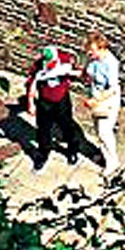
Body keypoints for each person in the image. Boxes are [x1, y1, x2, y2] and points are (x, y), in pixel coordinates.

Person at [22, 42, 82, 171]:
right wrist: (31, 103)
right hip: (45, 101)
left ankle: (72, 150)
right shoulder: (38, 66)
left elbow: (76, 70)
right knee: (43, 130)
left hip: (62, 100)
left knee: (67, 126)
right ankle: (43, 154)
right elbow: (31, 84)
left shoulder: (65, 59)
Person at [84, 32, 123, 175]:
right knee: (98, 131)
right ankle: (104, 154)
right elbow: (87, 73)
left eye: (92, 50)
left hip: (107, 100)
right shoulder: (93, 58)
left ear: (102, 48)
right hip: (95, 96)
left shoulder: (111, 64)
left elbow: (112, 89)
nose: (89, 53)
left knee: (104, 132)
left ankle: (113, 162)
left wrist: (96, 100)